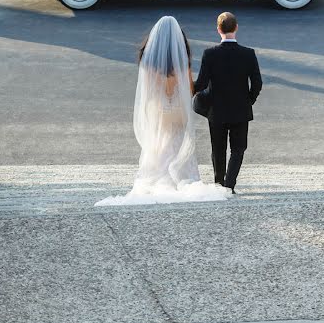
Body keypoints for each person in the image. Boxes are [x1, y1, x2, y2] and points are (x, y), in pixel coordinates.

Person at [96, 16, 229, 206]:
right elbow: (189, 89)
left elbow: (148, 92)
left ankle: (159, 177)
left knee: (159, 144)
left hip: (158, 110)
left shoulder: (149, 65)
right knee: (177, 142)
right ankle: (181, 178)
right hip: (178, 110)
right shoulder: (182, 64)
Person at [193, 12, 262, 194]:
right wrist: (249, 100)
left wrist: (184, 87)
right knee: (238, 149)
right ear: (236, 28)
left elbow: (200, 84)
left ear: (218, 30)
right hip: (240, 110)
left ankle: (218, 184)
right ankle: (229, 185)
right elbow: (257, 83)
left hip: (216, 111)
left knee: (218, 149)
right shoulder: (248, 54)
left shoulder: (210, 54)